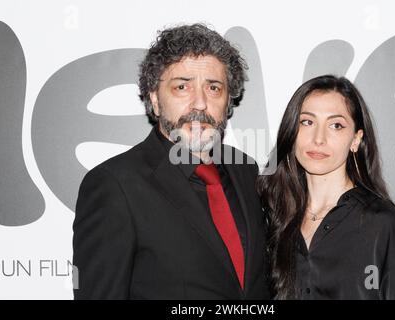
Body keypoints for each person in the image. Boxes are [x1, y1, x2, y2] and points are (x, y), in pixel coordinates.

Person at [73, 23, 269, 299]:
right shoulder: (114, 185)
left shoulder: (246, 171)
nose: (200, 103)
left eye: (213, 88)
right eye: (182, 87)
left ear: (227, 102)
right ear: (154, 98)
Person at [257, 75, 395, 300]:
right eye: (307, 122)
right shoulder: (273, 219)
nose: (319, 138)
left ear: (356, 140)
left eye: (336, 125)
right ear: (292, 132)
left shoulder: (383, 224)